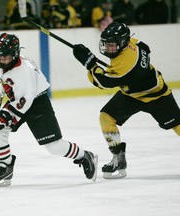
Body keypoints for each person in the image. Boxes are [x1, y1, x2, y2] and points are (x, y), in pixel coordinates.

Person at [0, 33, 98, 187]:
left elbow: (22, 104)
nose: (0, 60)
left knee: (54, 146)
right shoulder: (2, 60)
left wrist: (1, 118)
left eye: (4, 57)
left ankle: (85, 156)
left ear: (15, 54)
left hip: (36, 103)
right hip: (18, 100)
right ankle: (5, 166)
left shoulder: (23, 72)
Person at [72, 22, 180, 179]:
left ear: (122, 42)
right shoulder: (132, 43)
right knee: (106, 117)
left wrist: (89, 64)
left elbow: (104, 82)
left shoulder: (127, 64)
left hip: (156, 97)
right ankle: (118, 159)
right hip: (132, 95)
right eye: (106, 45)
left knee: (177, 124)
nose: (108, 48)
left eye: (112, 45)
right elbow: (145, 47)